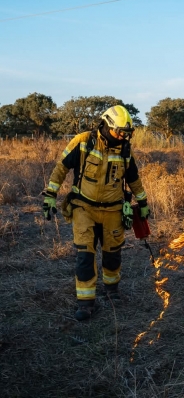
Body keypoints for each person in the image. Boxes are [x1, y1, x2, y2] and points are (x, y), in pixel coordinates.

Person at [42, 105, 150, 321]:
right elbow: (61, 168)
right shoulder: (83, 141)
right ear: (107, 125)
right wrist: (50, 195)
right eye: (120, 131)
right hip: (84, 208)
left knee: (113, 253)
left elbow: (133, 178)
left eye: (127, 133)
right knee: (85, 254)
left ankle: (112, 291)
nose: (123, 136)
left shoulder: (125, 150)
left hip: (113, 210)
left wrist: (143, 202)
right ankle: (86, 302)